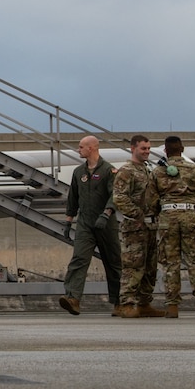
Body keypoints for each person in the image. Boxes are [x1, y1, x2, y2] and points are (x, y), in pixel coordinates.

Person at [152, 135, 195, 315]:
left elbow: (150, 200)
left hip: (167, 218)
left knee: (170, 262)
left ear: (165, 151)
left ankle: (172, 306)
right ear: (182, 149)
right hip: (190, 216)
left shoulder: (157, 172)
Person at [59, 135, 121, 316]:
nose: (78, 150)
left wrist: (107, 213)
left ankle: (119, 302)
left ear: (91, 148)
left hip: (105, 224)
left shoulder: (109, 171)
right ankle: (73, 299)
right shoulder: (79, 172)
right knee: (79, 259)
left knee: (113, 262)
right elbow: (73, 198)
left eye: (81, 147)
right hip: (85, 223)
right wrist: (69, 221)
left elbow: (115, 196)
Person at [112, 134, 163, 317]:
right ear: (133, 148)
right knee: (133, 266)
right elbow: (119, 197)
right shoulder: (127, 171)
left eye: (149, 149)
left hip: (151, 227)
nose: (147, 152)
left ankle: (144, 303)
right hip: (135, 227)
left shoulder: (148, 169)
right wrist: (138, 214)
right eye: (143, 149)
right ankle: (127, 303)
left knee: (150, 267)